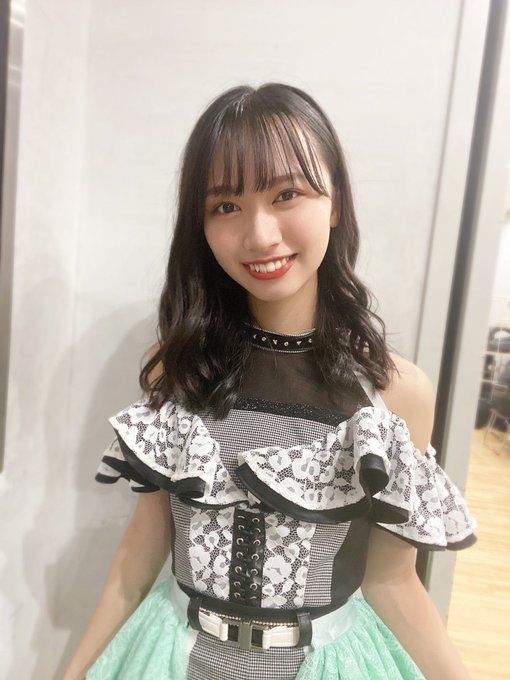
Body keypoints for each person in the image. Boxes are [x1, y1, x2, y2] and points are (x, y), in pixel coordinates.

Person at [64, 83, 477, 680]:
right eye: (225, 206)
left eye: (287, 194)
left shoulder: (393, 394)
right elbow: (141, 549)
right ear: (201, 224)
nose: (260, 235)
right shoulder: (175, 368)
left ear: (335, 204)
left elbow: (392, 579)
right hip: (172, 658)